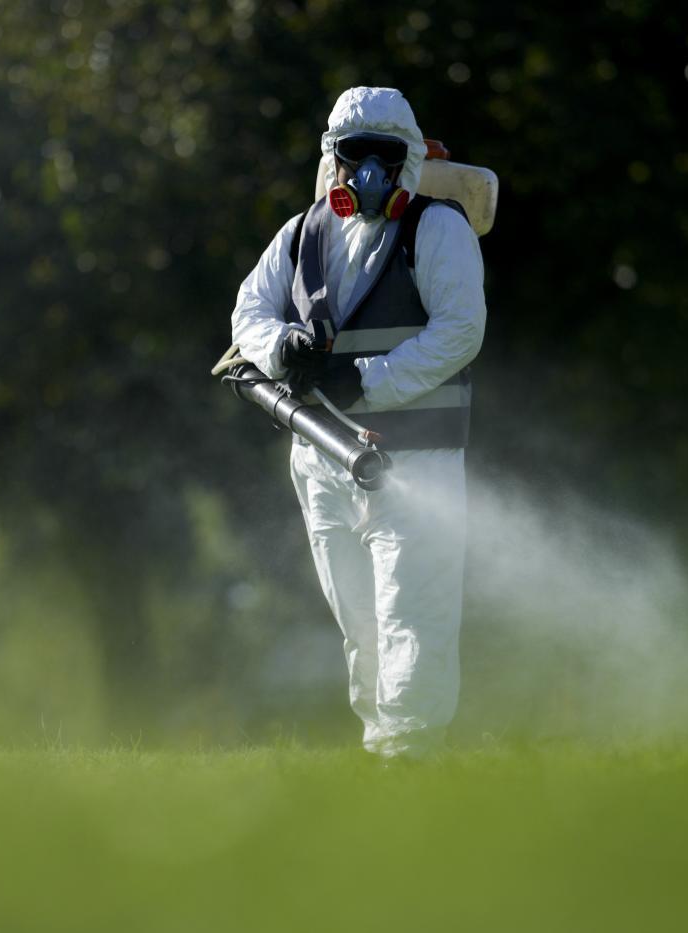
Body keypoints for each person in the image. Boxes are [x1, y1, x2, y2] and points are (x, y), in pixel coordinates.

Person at [231, 86, 486, 760]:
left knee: (413, 612)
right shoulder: (301, 232)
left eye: (384, 155)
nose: (368, 172)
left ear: (407, 159)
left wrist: (367, 380)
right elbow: (249, 314)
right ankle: (381, 746)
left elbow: (461, 330)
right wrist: (279, 347)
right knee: (360, 624)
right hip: (321, 460)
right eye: (355, 155)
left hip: (414, 460)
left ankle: (413, 753)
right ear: (334, 160)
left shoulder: (438, 229)